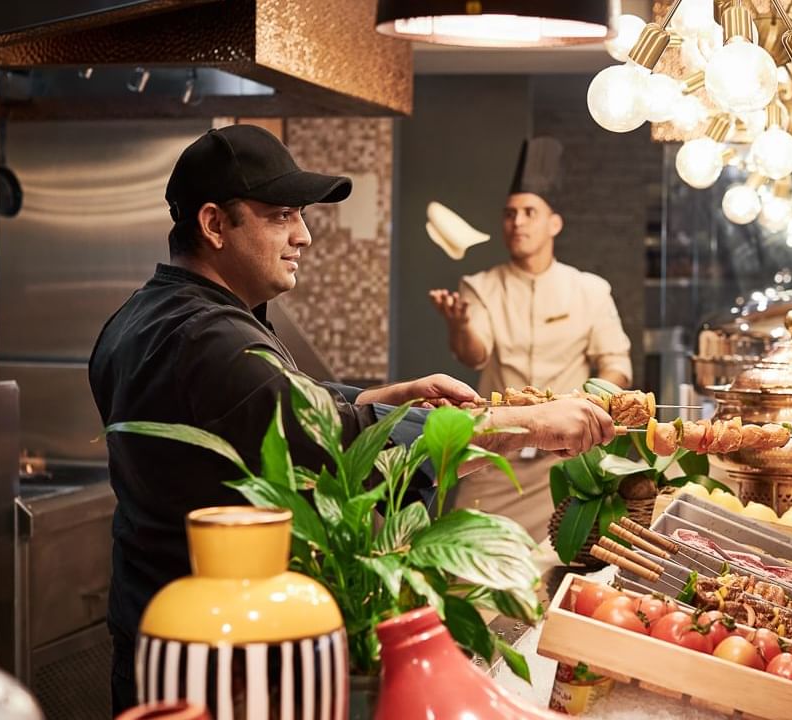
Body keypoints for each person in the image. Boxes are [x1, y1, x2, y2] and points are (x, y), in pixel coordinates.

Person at [89, 125, 616, 715]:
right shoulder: (208, 338)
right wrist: (532, 424)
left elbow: (276, 409)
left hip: (166, 631)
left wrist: (384, 397)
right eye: (282, 215)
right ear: (214, 225)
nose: (304, 236)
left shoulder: (142, 315)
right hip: (218, 655)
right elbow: (332, 441)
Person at [428, 137, 633, 540]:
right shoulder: (480, 285)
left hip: (564, 461)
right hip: (495, 455)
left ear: (554, 223)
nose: (517, 222)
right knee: (466, 570)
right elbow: (474, 354)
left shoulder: (589, 289)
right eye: (509, 214)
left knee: (550, 578)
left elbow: (615, 363)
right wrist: (458, 324)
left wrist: (598, 402)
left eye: (528, 212)